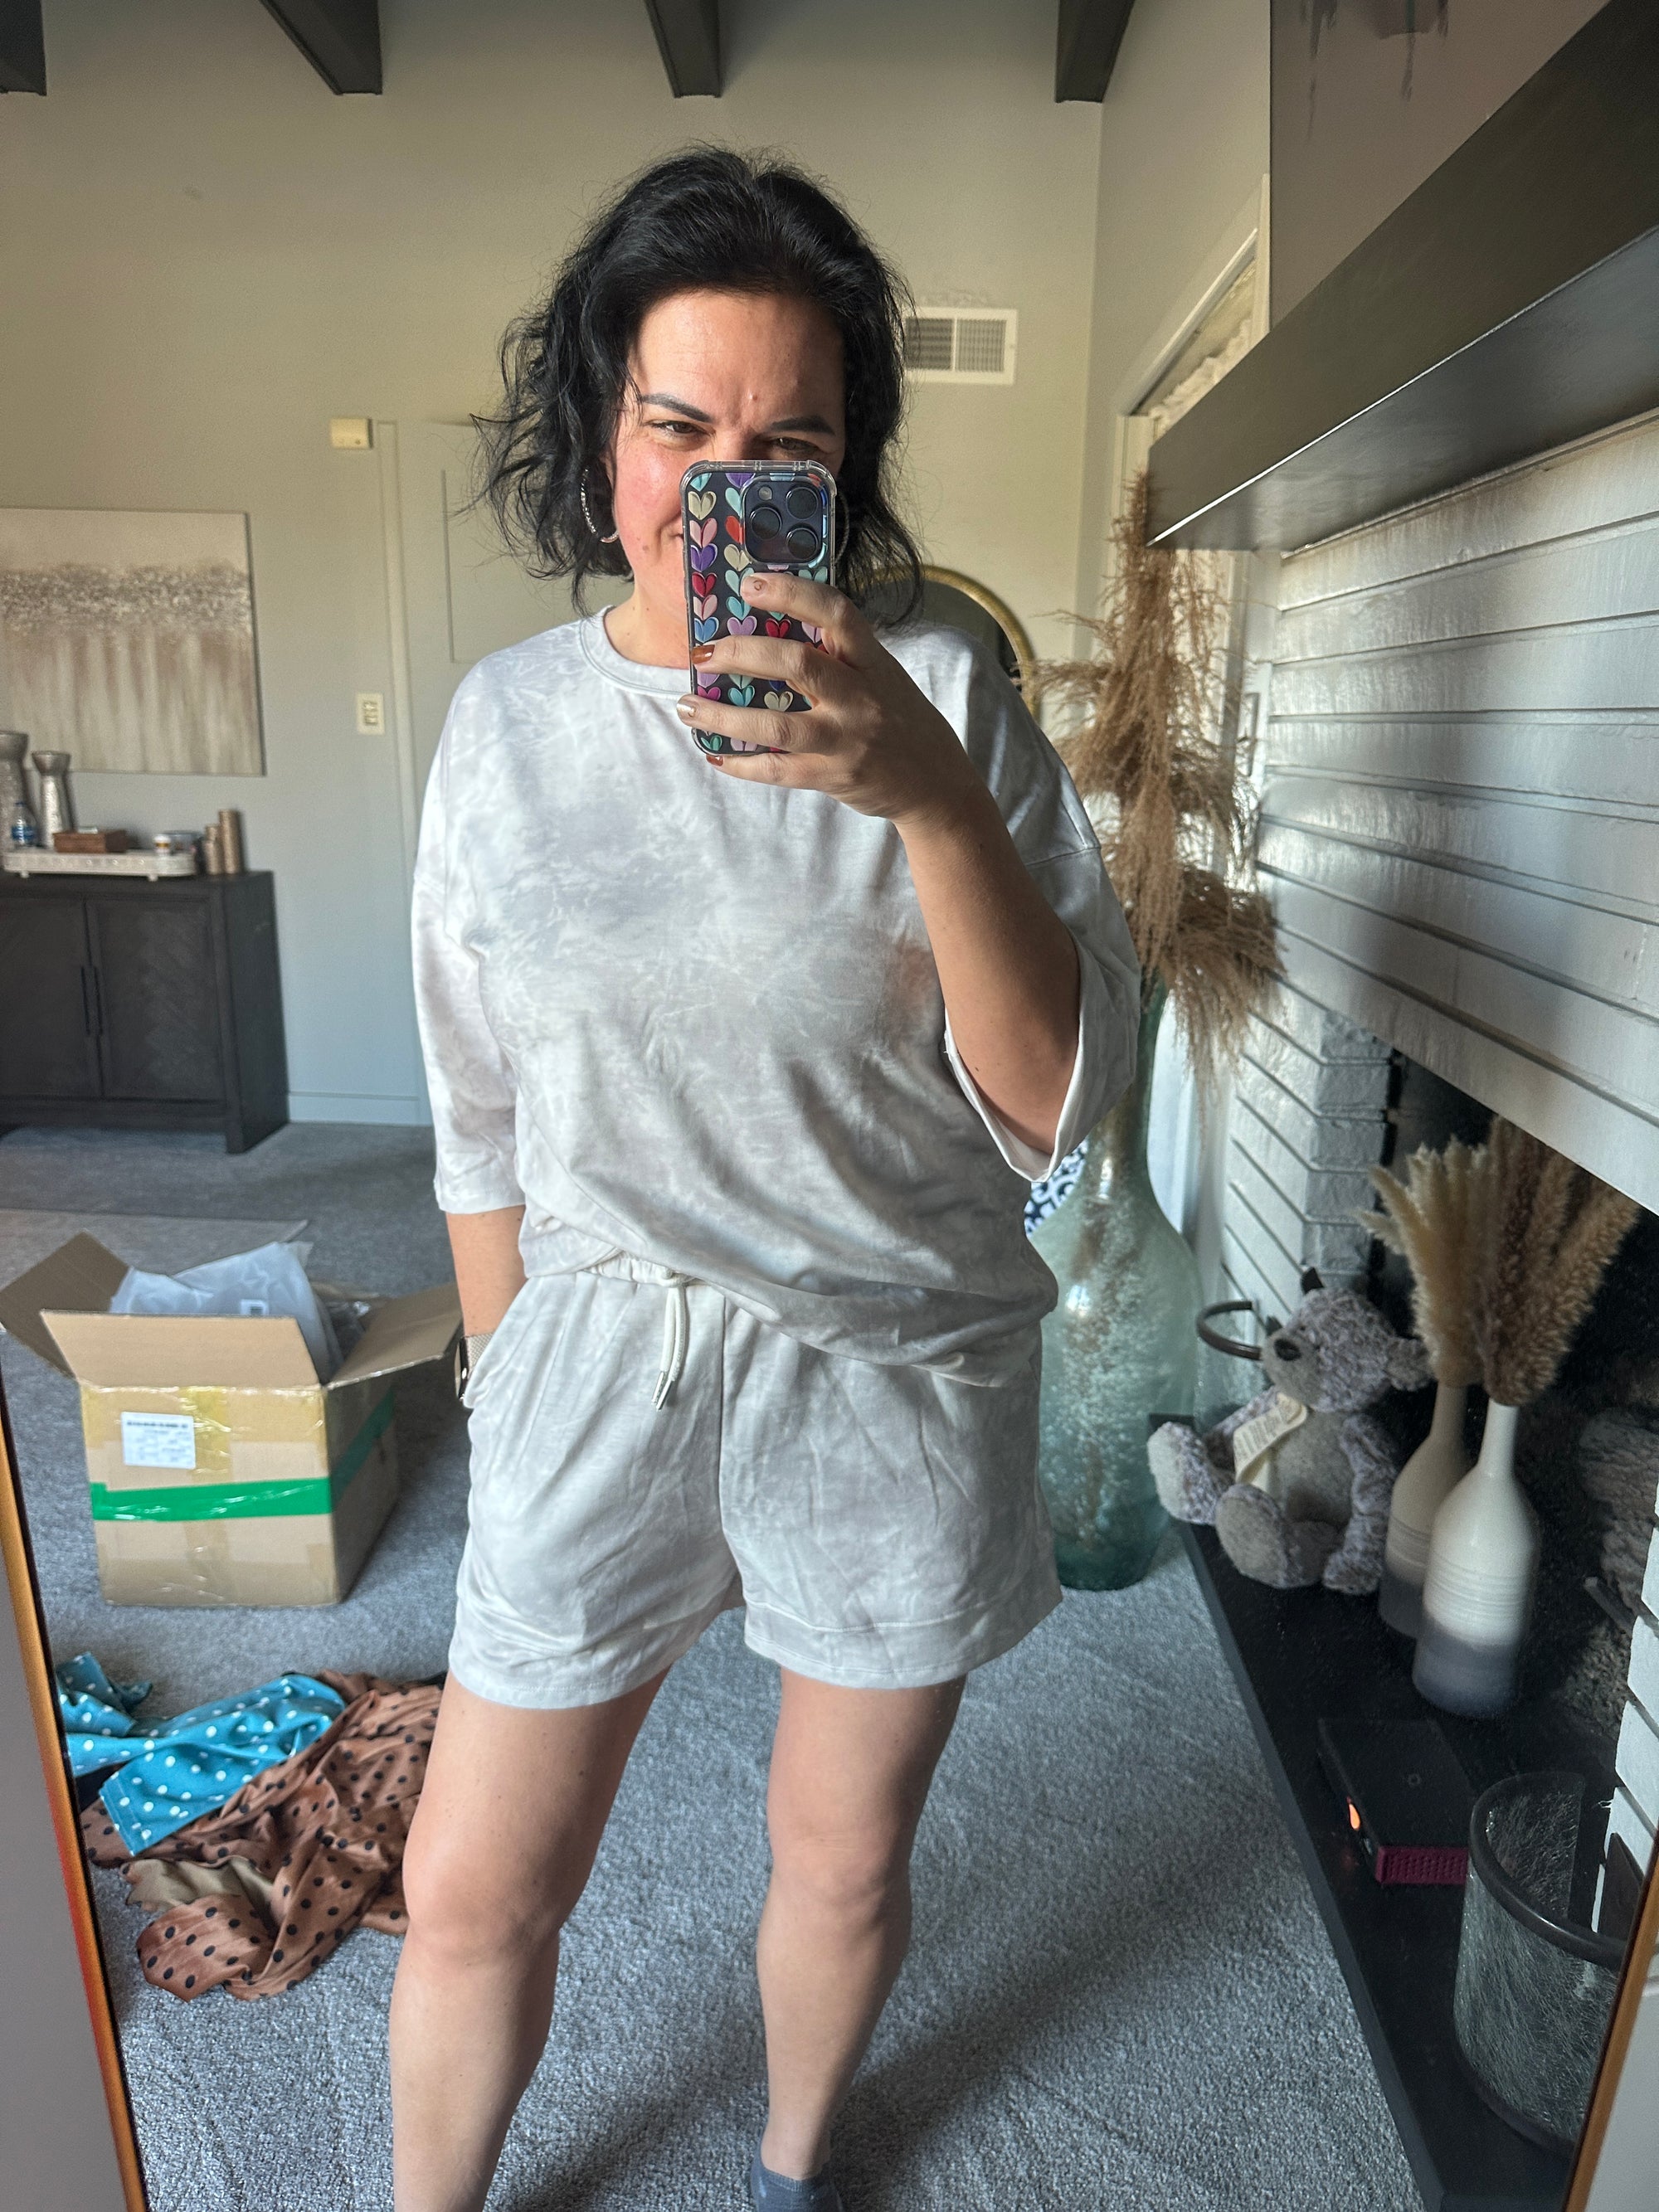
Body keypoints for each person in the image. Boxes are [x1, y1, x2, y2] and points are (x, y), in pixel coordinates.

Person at [393, 147, 1139, 2212]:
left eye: (786, 447)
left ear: (844, 473)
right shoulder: (504, 728)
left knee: (841, 1852)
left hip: (894, 1354)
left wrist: (928, 798)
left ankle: (798, 2163)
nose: (723, 484)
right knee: (470, 1882)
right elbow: (474, 1108)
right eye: (678, 428)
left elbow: (1059, 1109)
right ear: (599, 436)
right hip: (598, 1351)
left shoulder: (950, 698)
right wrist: (504, 1380)